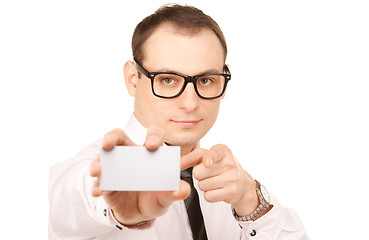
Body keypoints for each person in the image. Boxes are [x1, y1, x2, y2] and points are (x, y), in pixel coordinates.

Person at [48, 4, 308, 240]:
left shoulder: (226, 184)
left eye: (205, 80)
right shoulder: (89, 170)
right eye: (168, 80)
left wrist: (250, 198)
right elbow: (75, 197)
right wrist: (119, 197)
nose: (190, 103)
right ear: (132, 78)